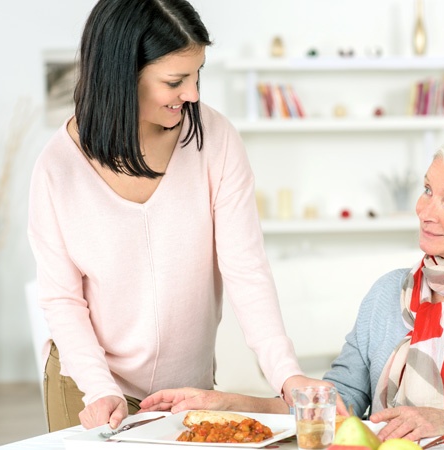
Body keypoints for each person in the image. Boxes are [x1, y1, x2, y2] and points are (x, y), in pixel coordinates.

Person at [140, 132, 444, 442]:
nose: (426, 212)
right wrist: (228, 404)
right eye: (428, 191)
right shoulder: (388, 293)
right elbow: (333, 405)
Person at [27, 0, 326, 432]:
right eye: (175, 80)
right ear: (122, 75)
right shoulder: (58, 167)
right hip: (90, 386)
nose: (193, 93)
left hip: (188, 391)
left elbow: (245, 269)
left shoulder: (216, 140)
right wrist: (99, 388)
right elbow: (62, 298)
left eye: (197, 74)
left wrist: (285, 374)